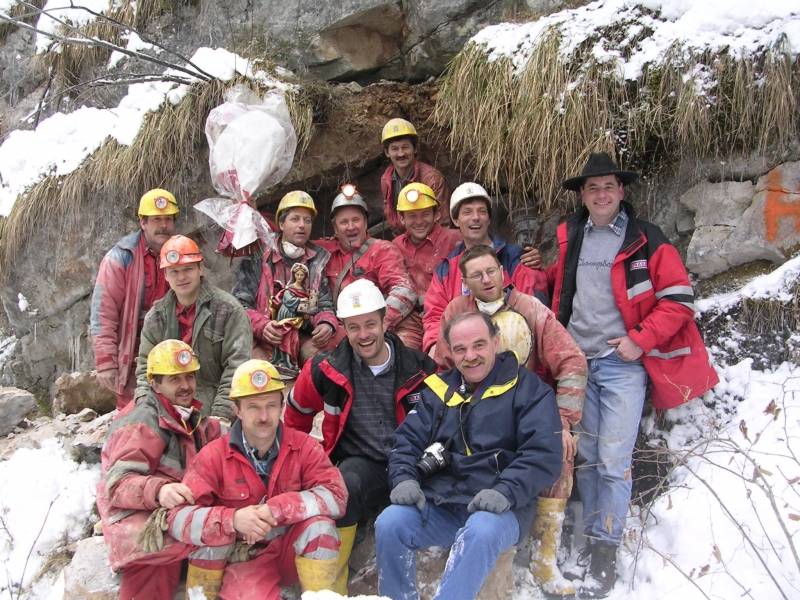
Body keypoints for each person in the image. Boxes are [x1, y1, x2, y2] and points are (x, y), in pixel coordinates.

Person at [551, 152, 719, 598]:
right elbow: (562, 289)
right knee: (583, 458)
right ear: (582, 196)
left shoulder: (646, 238)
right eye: (592, 188)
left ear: (622, 191)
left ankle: (605, 550)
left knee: (612, 460)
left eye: (608, 186)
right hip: (576, 363)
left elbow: (680, 299)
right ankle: (586, 540)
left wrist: (639, 340)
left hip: (622, 364)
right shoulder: (570, 236)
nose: (601, 194)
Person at [375, 311, 563, 600]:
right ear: (450, 351)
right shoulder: (439, 390)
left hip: (500, 510)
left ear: (496, 342)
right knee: (390, 523)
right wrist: (403, 478)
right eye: (460, 349)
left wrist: (505, 490)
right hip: (442, 504)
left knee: (481, 530)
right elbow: (406, 441)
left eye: (479, 345)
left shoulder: (531, 391)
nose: (470, 356)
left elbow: (544, 455)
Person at [435, 244, 587, 597]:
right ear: (464, 280)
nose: (486, 279)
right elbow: (443, 367)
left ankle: (544, 558)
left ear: (503, 271)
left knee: (558, 453)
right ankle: (460, 541)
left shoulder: (531, 309)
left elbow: (572, 362)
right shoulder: (456, 312)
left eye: (491, 271)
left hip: (524, 413)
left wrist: (562, 421)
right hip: (471, 415)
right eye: (476, 274)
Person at [284, 278, 437, 594]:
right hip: (362, 462)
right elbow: (295, 417)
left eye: (370, 324)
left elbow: (446, 424)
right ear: (343, 329)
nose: (364, 334)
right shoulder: (325, 369)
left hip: (411, 462)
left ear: (384, 321)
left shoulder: (418, 368)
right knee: (343, 486)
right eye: (353, 327)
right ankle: (330, 588)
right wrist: (294, 468)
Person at [166, 359, 348, 599]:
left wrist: (279, 509)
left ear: (282, 406)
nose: (264, 416)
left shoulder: (303, 446)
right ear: (237, 409)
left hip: (288, 550)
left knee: (321, 528)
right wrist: (233, 520)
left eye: (271, 406)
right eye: (253, 407)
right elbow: (177, 518)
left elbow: (337, 496)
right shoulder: (214, 456)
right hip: (245, 557)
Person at [97, 339, 222, 600]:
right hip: (136, 514)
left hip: (163, 507)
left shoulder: (184, 415)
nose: (186, 386)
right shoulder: (143, 421)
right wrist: (160, 490)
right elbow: (117, 484)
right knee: (159, 562)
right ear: (155, 383)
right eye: (175, 379)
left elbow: (216, 436)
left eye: (189, 377)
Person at [423, 181, 549, 357]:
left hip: (513, 355)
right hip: (465, 358)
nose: (476, 217)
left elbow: (537, 318)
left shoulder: (517, 259)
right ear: (455, 220)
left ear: (489, 219)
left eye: (482, 211)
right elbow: (434, 316)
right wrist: (435, 348)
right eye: (467, 212)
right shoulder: (446, 269)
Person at [135, 235, 251, 424]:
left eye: (188, 269)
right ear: (165, 275)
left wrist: (220, 418)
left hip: (213, 405)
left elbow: (237, 368)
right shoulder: (156, 317)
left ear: (200, 268)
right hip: (167, 411)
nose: (181, 277)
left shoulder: (228, 311)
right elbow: (144, 370)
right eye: (174, 271)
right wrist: (146, 409)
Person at [91, 188, 179, 408]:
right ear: (143, 222)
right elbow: (104, 313)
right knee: (134, 417)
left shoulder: (183, 254)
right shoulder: (120, 258)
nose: (163, 226)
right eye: (156, 219)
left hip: (174, 350)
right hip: (133, 354)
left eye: (168, 219)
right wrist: (106, 363)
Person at [233, 190, 339, 370]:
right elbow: (238, 305)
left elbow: (323, 304)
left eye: (307, 220)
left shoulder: (317, 260)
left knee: (322, 364)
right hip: (261, 338)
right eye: (295, 219)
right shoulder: (258, 256)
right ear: (281, 223)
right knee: (257, 370)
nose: (302, 226)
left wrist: (326, 323)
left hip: (299, 335)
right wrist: (262, 326)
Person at [317, 185, 422, 349]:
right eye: (344, 222)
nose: (351, 226)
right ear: (335, 228)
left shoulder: (382, 250)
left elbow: (404, 290)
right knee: (314, 353)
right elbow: (290, 241)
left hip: (392, 324)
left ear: (366, 222)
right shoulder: (324, 251)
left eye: (356, 220)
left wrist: (380, 323)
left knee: (404, 357)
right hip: (347, 326)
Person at [380, 118, 450, 235]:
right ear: (387, 153)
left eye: (405, 147)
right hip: (402, 241)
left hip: (430, 240)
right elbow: (393, 220)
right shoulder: (386, 180)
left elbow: (443, 222)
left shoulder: (432, 179)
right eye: (395, 149)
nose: (401, 153)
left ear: (415, 149)